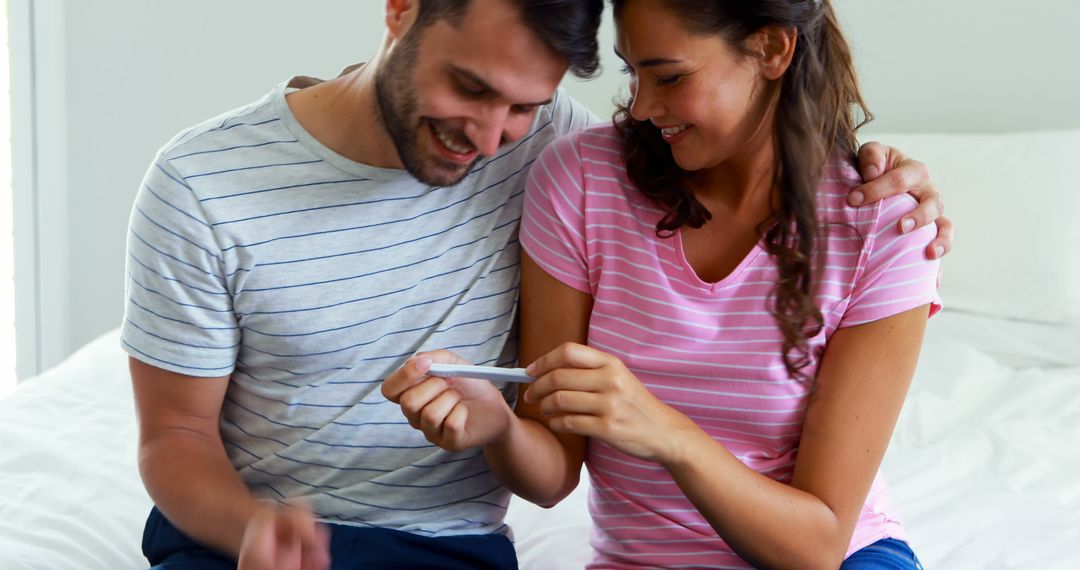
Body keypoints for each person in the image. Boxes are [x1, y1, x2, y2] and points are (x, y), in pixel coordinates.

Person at [126, 0, 947, 568]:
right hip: (232, 542)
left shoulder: (554, 152)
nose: (486, 140)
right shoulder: (204, 181)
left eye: (523, 105)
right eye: (471, 88)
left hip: (441, 547)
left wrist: (878, 176)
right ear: (399, 9)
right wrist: (255, 532)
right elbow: (175, 438)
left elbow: (818, 543)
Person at [384, 0, 939, 568]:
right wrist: (499, 425)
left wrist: (667, 434)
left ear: (772, 50)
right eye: (633, 72)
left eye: (670, 76)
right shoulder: (580, 180)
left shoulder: (884, 224)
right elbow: (552, 477)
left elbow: (817, 547)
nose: (644, 107)